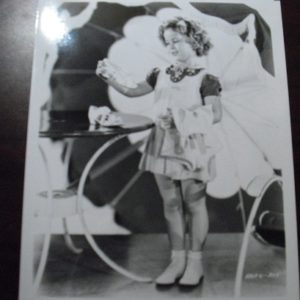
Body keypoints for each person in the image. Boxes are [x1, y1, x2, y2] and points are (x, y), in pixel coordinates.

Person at [96, 16, 222, 286]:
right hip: (162, 144)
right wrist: (110, 78)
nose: (172, 47)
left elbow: (215, 113)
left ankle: (195, 262)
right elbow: (132, 92)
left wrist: (179, 117)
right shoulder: (160, 73)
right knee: (171, 204)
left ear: (194, 40)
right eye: (168, 43)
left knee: (194, 203)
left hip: (192, 147)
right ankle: (177, 260)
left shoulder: (207, 78)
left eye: (176, 41)